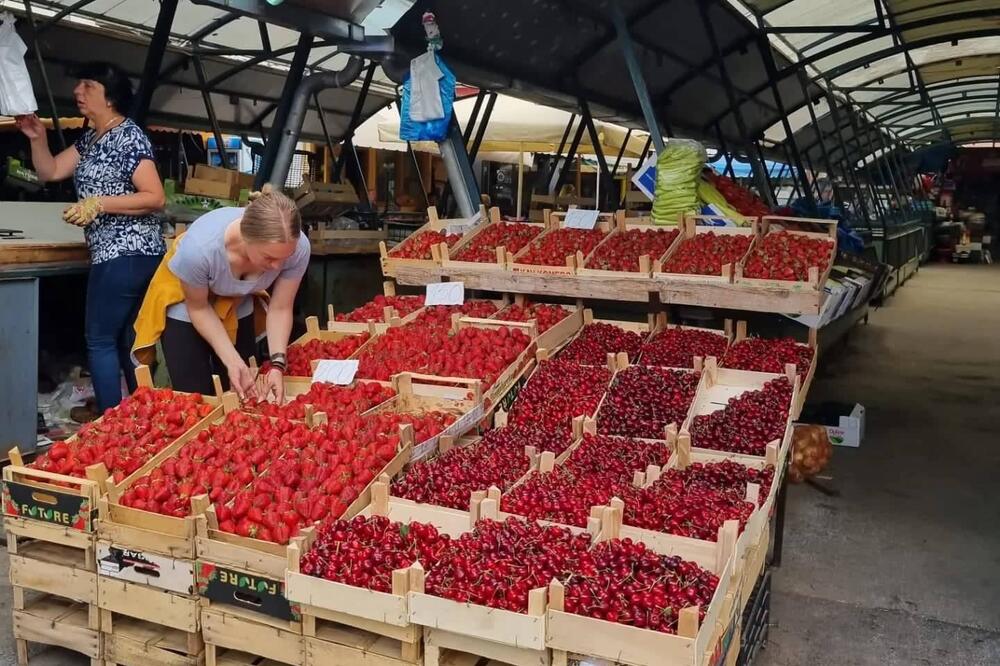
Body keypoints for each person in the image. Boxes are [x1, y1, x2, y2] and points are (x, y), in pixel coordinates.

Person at [16, 62, 166, 414]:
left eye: (87, 85)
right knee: (128, 340)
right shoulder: (91, 138)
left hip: (126, 253)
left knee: (100, 339)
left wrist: (99, 203)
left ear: (110, 97)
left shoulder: (129, 136)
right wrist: (38, 138)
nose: (77, 92)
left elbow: (155, 196)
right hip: (118, 255)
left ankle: (112, 421)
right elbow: (50, 171)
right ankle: (139, 417)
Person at [133, 185, 310, 403]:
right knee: (195, 396)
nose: (278, 267)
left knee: (242, 391)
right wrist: (233, 361)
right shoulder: (198, 250)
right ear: (246, 238)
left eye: (286, 257)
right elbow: (198, 308)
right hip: (187, 303)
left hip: (236, 301)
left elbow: (281, 307)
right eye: (269, 258)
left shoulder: (297, 247)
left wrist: (277, 365)